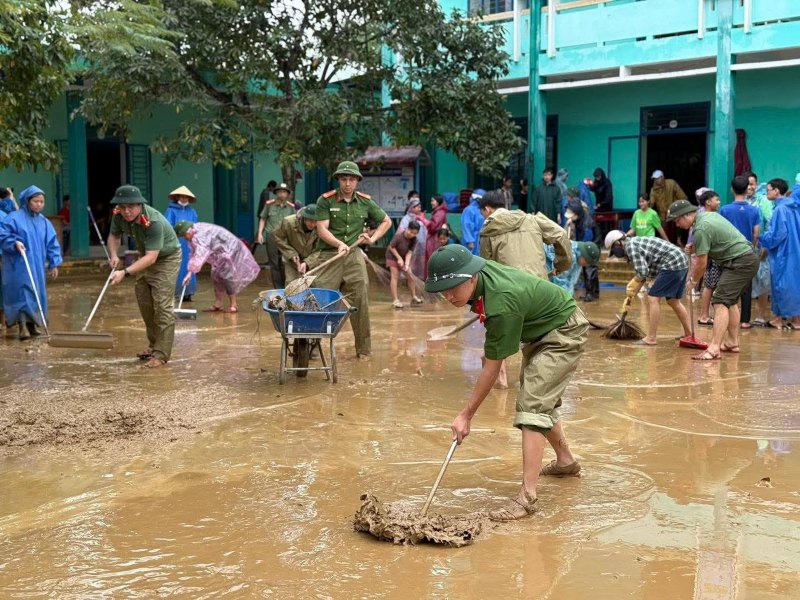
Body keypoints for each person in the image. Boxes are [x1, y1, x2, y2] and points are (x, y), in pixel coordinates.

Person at [425, 244, 588, 521]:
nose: (449, 295)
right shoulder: (482, 281)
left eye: (454, 287)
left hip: (563, 330)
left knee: (532, 406)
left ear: (472, 276)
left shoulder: (500, 302)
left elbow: (492, 366)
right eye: (444, 289)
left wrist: (466, 415)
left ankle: (526, 498)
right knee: (537, 399)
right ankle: (566, 461)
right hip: (540, 329)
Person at [479, 189, 572, 387]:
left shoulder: (488, 230)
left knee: (498, 332)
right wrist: (560, 265)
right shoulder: (532, 219)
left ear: (487, 209)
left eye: (482, 213)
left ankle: (499, 377)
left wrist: (483, 304)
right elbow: (561, 234)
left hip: (508, 293)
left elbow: (486, 270)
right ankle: (533, 385)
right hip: (539, 291)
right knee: (538, 341)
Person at [309, 161, 391, 359]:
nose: (347, 183)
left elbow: (386, 221)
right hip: (330, 254)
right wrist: (338, 244)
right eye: (344, 179)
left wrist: (372, 238)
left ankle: (363, 350)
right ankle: (311, 345)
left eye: (351, 180)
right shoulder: (326, 200)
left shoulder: (365, 202)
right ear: (338, 180)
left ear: (357, 181)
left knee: (361, 299)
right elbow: (322, 229)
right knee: (320, 299)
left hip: (353, 256)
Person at [668, 199, 759, 360]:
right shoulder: (708, 216)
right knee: (729, 301)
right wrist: (695, 247)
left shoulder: (701, 228)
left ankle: (714, 348)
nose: (677, 224)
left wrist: (693, 281)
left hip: (740, 261)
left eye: (677, 219)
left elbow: (702, 263)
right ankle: (732, 342)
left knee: (720, 301)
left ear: (688, 215)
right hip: (745, 258)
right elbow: (718, 239)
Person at [107, 185, 182, 368]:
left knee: (162, 305)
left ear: (140, 204)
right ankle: (153, 344)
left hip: (166, 258)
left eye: (131, 206)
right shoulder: (118, 215)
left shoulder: (153, 221)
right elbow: (114, 236)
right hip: (145, 256)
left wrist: (124, 272)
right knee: (145, 302)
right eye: (123, 207)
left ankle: (161, 354)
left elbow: (152, 257)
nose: (127, 211)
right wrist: (114, 255)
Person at [604, 230, 693, 346]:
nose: (615, 253)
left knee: (653, 298)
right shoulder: (634, 243)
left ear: (618, 243)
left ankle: (651, 338)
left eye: (613, 250)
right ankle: (688, 334)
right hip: (680, 261)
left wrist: (633, 283)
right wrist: (632, 293)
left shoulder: (630, 247)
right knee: (673, 301)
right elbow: (646, 274)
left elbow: (642, 273)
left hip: (672, 263)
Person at [0, 185, 62, 340]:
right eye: (36, 201)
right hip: (17, 264)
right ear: (27, 201)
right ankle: (22, 326)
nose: (39, 204)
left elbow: (52, 243)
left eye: (41, 202)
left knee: (36, 293)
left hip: (37, 265)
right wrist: (14, 242)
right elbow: (3, 235)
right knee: (22, 292)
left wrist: (54, 263)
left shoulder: (44, 222)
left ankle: (32, 325)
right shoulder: (14, 218)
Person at [174, 220, 260, 313]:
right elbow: (194, 253)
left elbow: (200, 254)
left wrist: (190, 273)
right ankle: (218, 303)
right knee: (216, 275)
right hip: (219, 251)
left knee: (227, 276)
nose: (184, 238)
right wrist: (189, 272)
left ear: (188, 231)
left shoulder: (200, 235)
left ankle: (233, 305)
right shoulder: (195, 233)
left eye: (183, 235)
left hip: (229, 249)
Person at [718, 175, 760, 328]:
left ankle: (727, 318)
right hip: (747, 252)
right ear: (747, 189)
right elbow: (756, 232)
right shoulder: (754, 210)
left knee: (728, 286)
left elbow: (721, 231)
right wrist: (753, 247)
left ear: (731, 189)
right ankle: (745, 321)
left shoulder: (725, 210)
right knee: (746, 287)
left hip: (729, 253)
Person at [759, 178, 800, 330]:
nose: (766, 192)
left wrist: (761, 239)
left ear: (777, 191)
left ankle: (778, 319)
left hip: (784, 253)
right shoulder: (795, 207)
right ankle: (796, 320)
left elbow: (778, 234)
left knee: (780, 285)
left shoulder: (780, 209)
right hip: (795, 251)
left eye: (768, 189)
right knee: (794, 285)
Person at [744, 172, 775, 327]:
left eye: (752, 183)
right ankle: (745, 316)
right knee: (746, 282)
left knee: (762, 280)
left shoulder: (763, 201)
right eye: (747, 184)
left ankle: (761, 315)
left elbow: (770, 223)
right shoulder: (742, 201)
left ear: (757, 185)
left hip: (760, 247)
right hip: (744, 248)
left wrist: (767, 245)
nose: (750, 186)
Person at [256, 182, 296, 289]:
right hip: (272, 236)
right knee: (274, 264)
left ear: (287, 194)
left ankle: (285, 287)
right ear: (276, 193)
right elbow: (263, 219)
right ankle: (278, 289)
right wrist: (260, 234)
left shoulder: (291, 207)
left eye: (284, 192)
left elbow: (295, 223)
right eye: (280, 192)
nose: (282, 194)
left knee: (285, 262)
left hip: (285, 238)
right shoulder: (269, 205)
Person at [163, 185, 199, 302]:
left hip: (189, 243)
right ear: (177, 197)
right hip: (176, 242)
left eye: (186, 197)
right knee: (176, 266)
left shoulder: (192, 212)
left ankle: (188, 293)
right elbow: (167, 227)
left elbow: (195, 226)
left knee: (189, 266)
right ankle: (176, 292)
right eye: (182, 197)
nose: (184, 199)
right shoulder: (171, 210)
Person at [694, 190, 723, 326]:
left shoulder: (713, 215)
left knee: (710, 284)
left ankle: (705, 314)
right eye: (716, 199)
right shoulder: (704, 217)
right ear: (708, 202)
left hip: (712, 254)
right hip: (710, 255)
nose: (719, 202)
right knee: (709, 285)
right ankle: (704, 315)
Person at [274, 203, 319, 283]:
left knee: (312, 285)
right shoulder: (288, 222)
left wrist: (307, 262)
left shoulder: (320, 227)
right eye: (310, 221)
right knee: (292, 284)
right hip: (291, 260)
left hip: (311, 261)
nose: (313, 224)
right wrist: (291, 253)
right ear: (304, 218)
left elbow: (319, 249)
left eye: (316, 221)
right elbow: (278, 237)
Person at [386, 221, 422, 308]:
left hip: (403, 257)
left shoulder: (414, 239)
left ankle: (413, 297)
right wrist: (399, 258)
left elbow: (409, 252)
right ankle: (395, 300)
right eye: (411, 232)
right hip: (392, 256)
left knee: (410, 276)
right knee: (395, 276)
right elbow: (391, 247)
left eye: (415, 233)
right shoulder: (399, 236)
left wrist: (406, 264)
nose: (412, 234)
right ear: (407, 228)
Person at [649, 170, 688, 244]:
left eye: (658, 178)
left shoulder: (671, 183)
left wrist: (680, 207)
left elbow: (682, 196)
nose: (656, 180)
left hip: (674, 212)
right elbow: (651, 203)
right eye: (655, 179)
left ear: (662, 177)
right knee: (664, 235)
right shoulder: (653, 190)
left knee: (678, 227)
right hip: (663, 215)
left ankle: (679, 241)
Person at [399, 193, 428, 280]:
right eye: (417, 207)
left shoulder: (421, 218)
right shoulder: (406, 219)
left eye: (420, 207)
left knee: (421, 262)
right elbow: (401, 231)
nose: (419, 209)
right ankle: (408, 278)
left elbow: (425, 230)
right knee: (410, 261)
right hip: (410, 245)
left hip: (421, 245)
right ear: (411, 207)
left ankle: (420, 278)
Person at [252, 180, 277, 257]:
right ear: (271, 186)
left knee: (260, 233)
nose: (273, 190)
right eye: (274, 188)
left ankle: (253, 249)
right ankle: (252, 250)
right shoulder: (266, 193)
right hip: (263, 216)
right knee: (261, 233)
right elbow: (265, 205)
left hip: (261, 215)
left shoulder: (264, 192)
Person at [424, 194, 448, 271]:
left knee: (432, 262)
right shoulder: (438, 212)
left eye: (432, 201)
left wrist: (423, 220)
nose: (431, 202)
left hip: (434, 241)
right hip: (435, 240)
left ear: (438, 202)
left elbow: (433, 227)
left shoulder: (439, 213)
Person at [460, 188, 485, 256]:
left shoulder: (481, 209)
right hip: (472, 241)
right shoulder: (469, 210)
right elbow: (466, 226)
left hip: (479, 239)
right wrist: (469, 241)